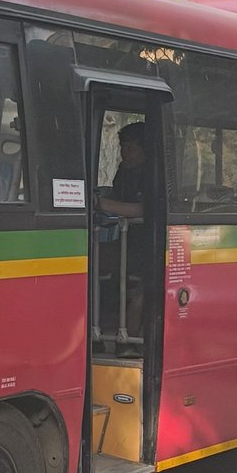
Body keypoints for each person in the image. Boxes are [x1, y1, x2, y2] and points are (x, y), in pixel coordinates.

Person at [96, 121, 149, 342]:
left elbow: (140, 208)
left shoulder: (151, 174)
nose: (124, 153)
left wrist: (100, 203)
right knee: (91, 259)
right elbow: (119, 198)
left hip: (147, 247)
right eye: (122, 147)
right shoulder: (123, 172)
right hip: (126, 241)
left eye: (130, 148)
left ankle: (128, 341)